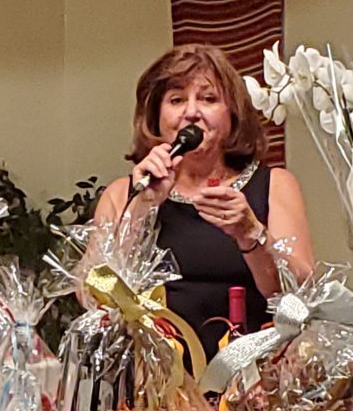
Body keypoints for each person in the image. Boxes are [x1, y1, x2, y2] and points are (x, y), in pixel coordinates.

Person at [94, 44, 314, 359]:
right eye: (176, 100)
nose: (191, 112)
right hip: (156, 377)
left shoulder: (275, 185)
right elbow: (93, 296)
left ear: (232, 114)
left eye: (208, 99)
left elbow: (302, 294)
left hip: (251, 375)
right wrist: (144, 207)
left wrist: (252, 233)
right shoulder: (123, 193)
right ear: (157, 117)